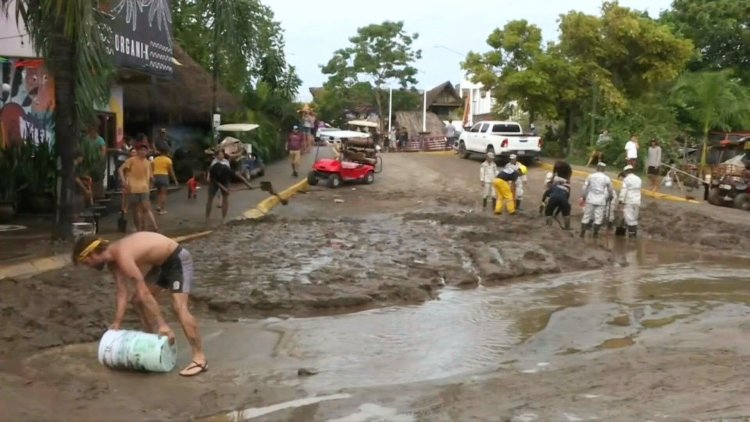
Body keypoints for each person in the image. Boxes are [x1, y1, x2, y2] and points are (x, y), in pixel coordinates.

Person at [72, 233, 207, 377]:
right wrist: (117, 322)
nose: (89, 267)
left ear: (92, 254)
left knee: (179, 307)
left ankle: (199, 358)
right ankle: (153, 343)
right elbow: (122, 292)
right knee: (136, 300)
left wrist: (162, 324)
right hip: (161, 265)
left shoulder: (122, 255)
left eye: (87, 263)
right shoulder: (113, 262)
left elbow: (144, 292)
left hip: (177, 259)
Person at [205, 149, 253, 224]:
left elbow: (239, 176)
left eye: (222, 154)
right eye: (219, 154)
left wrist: (248, 185)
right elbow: (215, 180)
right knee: (210, 198)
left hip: (224, 181)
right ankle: (207, 218)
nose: (221, 156)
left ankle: (224, 219)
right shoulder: (214, 167)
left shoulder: (227, 169)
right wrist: (223, 188)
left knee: (225, 198)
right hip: (214, 181)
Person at [119, 142, 159, 232]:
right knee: (137, 210)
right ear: (138, 151)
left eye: (144, 150)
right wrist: (124, 181)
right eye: (141, 150)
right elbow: (120, 169)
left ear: (147, 151)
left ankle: (147, 228)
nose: (142, 152)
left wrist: (152, 182)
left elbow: (150, 176)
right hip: (133, 188)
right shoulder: (132, 160)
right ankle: (139, 228)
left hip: (144, 188)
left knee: (145, 209)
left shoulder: (147, 163)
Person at [580, 162, 614, 238]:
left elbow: (585, 187)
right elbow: (610, 189)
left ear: (597, 168)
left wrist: (584, 196)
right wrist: (610, 196)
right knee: (598, 217)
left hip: (590, 198)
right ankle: (595, 234)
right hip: (601, 200)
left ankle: (582, 233)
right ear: (604, 169)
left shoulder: (590, 176)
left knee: (586, 216)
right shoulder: (606, 178)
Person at [152, 148, 179, 214]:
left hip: (156, 176)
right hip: (164, 176)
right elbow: (171, 171)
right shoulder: (168, 160)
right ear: (167, 153)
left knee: (158, 192)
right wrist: (175, 180)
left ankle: (158, 205)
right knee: (163, 193)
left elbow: (152, 169)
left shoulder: (155, 159)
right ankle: (162, 209)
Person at [619, 165, 642, 237]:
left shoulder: (626, 179)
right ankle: (633, 235)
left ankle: (631, 237)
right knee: (634, 218)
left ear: (627, 171)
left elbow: (624, 190)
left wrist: (620, 200)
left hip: (629, 200)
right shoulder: (639, 179)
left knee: (629, 218)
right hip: (637, 201)